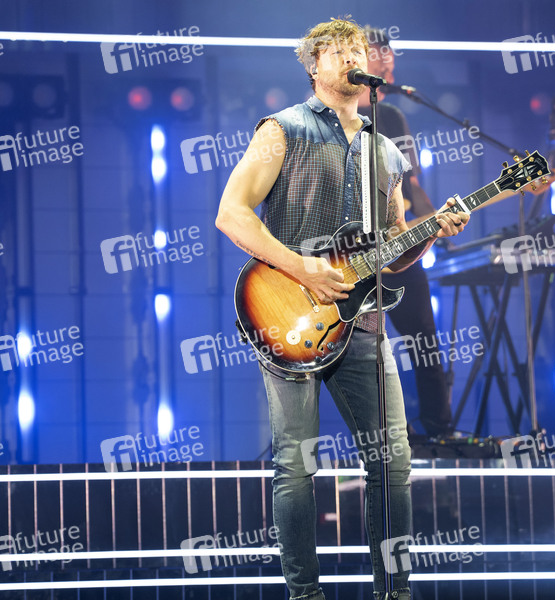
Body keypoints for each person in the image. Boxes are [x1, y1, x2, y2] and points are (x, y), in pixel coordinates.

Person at [215, 17, 469, 600]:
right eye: (339, 51)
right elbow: (232, 213)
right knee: (296, 464)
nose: (354, 57)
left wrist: (432, 230)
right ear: (313, 65)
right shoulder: (283, 130)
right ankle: (305, 594)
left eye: (358, 49)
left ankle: (393, 592)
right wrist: (302, 267)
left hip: (364, 321)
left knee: (393, 462)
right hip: (288, 312)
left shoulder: (386, 149)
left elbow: (392, 251)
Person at [357, 27, 453, 438]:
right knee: (361, 349)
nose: (389, 67)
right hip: (352, 253)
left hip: (399, 247)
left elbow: (411, 187)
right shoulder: (334, 119)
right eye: (381, 58)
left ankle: (438, 428)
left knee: (424, 339)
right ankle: (376, 436)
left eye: (391, 60)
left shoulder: (394, 117)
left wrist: (438, 224)